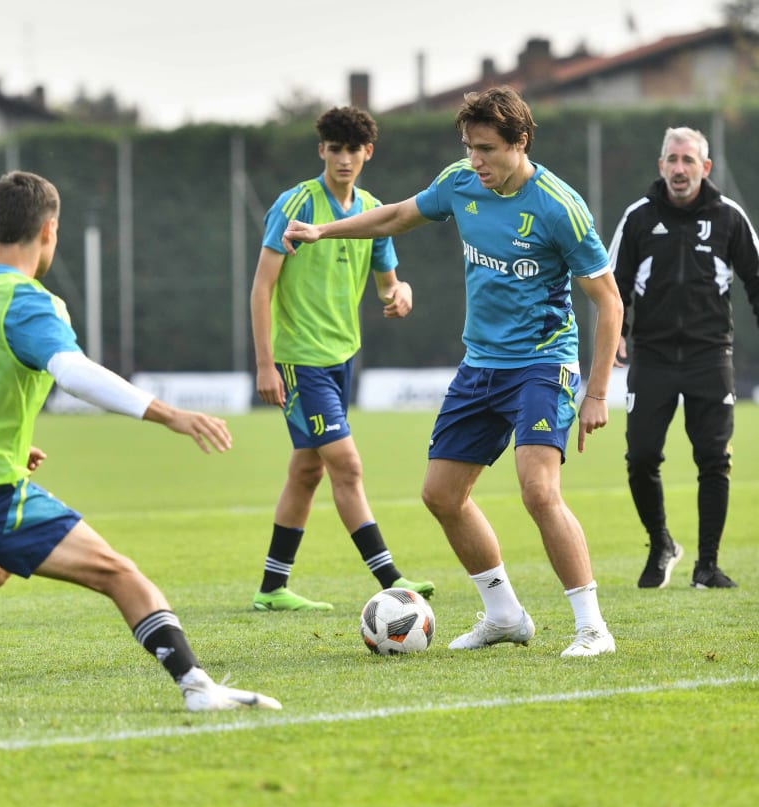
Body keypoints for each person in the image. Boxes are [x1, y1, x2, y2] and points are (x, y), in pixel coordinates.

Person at [284, 86, 623, 657]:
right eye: (469, 147)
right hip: (480, 366)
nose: (476, 161)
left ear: (520, 142)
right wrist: (323, 230)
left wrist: (596, 392)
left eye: (487, 149)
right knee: (441, 495)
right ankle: (504, 615)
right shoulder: (460, 183)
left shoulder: (558, 207)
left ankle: (592, 627)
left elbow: (608, 301)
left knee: (539, 492)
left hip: (542, 363)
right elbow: (396, 216)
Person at [0, 170, 280, 712]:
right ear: (50, 231)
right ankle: (197, 688)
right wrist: (168, 415)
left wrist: (4, 443)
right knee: (119, 573)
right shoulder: (27, 301)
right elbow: (72, 372)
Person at [250, 105, 434, 611]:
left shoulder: (372, 211)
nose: (344, 159)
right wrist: (266, 365)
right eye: (335, 149)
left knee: (307, 472)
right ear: (322, 152)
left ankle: (271, 588)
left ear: (367, 152)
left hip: (341, 360)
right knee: (346, 467)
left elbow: (388, 286)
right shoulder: (297, 206)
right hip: (298, 361)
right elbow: (262, 288)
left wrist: (402, 295)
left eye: (353, 149)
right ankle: (392, 582)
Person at [608, 126, 759, 589]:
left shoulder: (729, 217)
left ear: (704, 168)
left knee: (713, 458)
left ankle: (707, 566)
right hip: (651, 356)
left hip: (710, 355)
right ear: (661, 166)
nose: (679, 169)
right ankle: (661, 545)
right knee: (642, 457)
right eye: (672, 159)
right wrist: (616, 335)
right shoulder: (637, 217)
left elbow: (756, 282)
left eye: (688, 160)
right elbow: (610, 286)